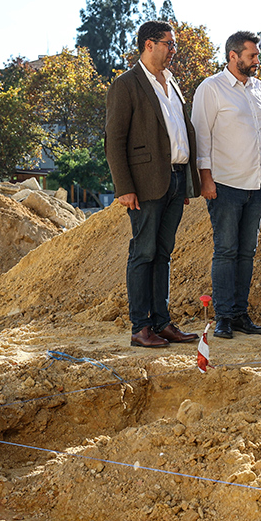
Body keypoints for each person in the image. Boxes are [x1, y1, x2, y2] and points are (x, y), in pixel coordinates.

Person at [105, 20, 201, 348]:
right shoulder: (126, 84)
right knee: (143, 252)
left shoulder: (172, 83)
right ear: (149, 44)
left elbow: (178, 131)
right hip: (145, 184)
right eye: (168, 44)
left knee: (163, 253)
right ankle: (139, 327)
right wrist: (124, 187)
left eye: (173, 45)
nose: (173, 49)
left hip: (175, 181)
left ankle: (162, 322)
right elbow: (114, 140)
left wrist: (185, 182)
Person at [191, 31, 261, 339]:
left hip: (255, 185)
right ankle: (223, 317)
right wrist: (205, 178)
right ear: (233, 56)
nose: (257, 61)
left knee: (247, 252)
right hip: (225, 185)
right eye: (252, 56)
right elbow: (201, 136)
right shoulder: (211, 89)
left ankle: (241, 314)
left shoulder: (259, 89)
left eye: (257, 55)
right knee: (226, 250)